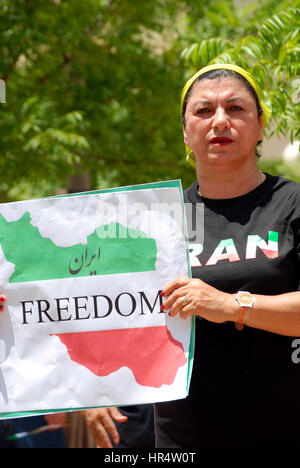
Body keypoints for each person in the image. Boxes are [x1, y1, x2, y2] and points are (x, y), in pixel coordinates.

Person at [154, 64, 300, 448]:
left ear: (260, 125)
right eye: (203, 111)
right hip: (181, 437)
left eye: (235, 109)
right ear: (185, 131)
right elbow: (100, 310)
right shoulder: (153, 223)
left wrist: (233, 305)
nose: (220, 121)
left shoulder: (293, 204)